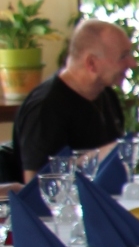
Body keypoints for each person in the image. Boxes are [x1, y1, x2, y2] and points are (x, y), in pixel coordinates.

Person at [12, 19, 132, 174]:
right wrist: (109, 151)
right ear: (91, 63)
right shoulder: (45, 108)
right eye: (123, 56)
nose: (132, 63)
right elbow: (37, 183)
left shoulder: (106, 95)